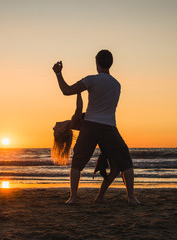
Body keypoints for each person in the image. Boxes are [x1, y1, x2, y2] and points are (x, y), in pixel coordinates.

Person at [52, 50, 140, 205]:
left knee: (78, 162)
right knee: (125, 160)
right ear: (111, 63)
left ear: (96, 63)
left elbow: (66, 90)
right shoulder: (117, 85)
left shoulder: (91, 80)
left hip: (91, 125)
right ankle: (131, 198)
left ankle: (73, 197)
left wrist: (58, 73)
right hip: (109, 127)